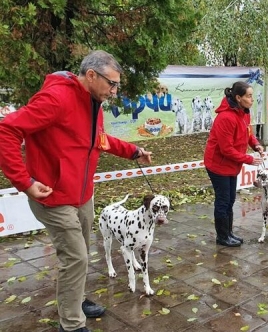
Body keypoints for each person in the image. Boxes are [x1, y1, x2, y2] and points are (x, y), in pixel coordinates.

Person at [0, 50, 153, 332]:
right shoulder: (56, 98)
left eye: (117, 85)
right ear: (92, 75)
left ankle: (76, 300)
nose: (115, 91)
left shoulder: (93, 102)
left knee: (78, 256)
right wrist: (25, 182)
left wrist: (134, 152)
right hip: (53, 197)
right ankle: (70, 325)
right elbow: (6, 130)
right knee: (76, 257)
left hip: (82, 195)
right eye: (112, 83)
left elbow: (100, 140)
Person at [204, 81, 264, 247]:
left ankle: (228, 233)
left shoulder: (244, 113)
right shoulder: (226, 117)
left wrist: (255, 144)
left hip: (231, 165)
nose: (252, 100)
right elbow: (226, 149)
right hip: (218, 164)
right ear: (238, 98)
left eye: (252, 96)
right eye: (249, 96)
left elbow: (248, 132)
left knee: (230, 199)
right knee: (223, 200)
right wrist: (249, 159)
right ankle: (222, 236)